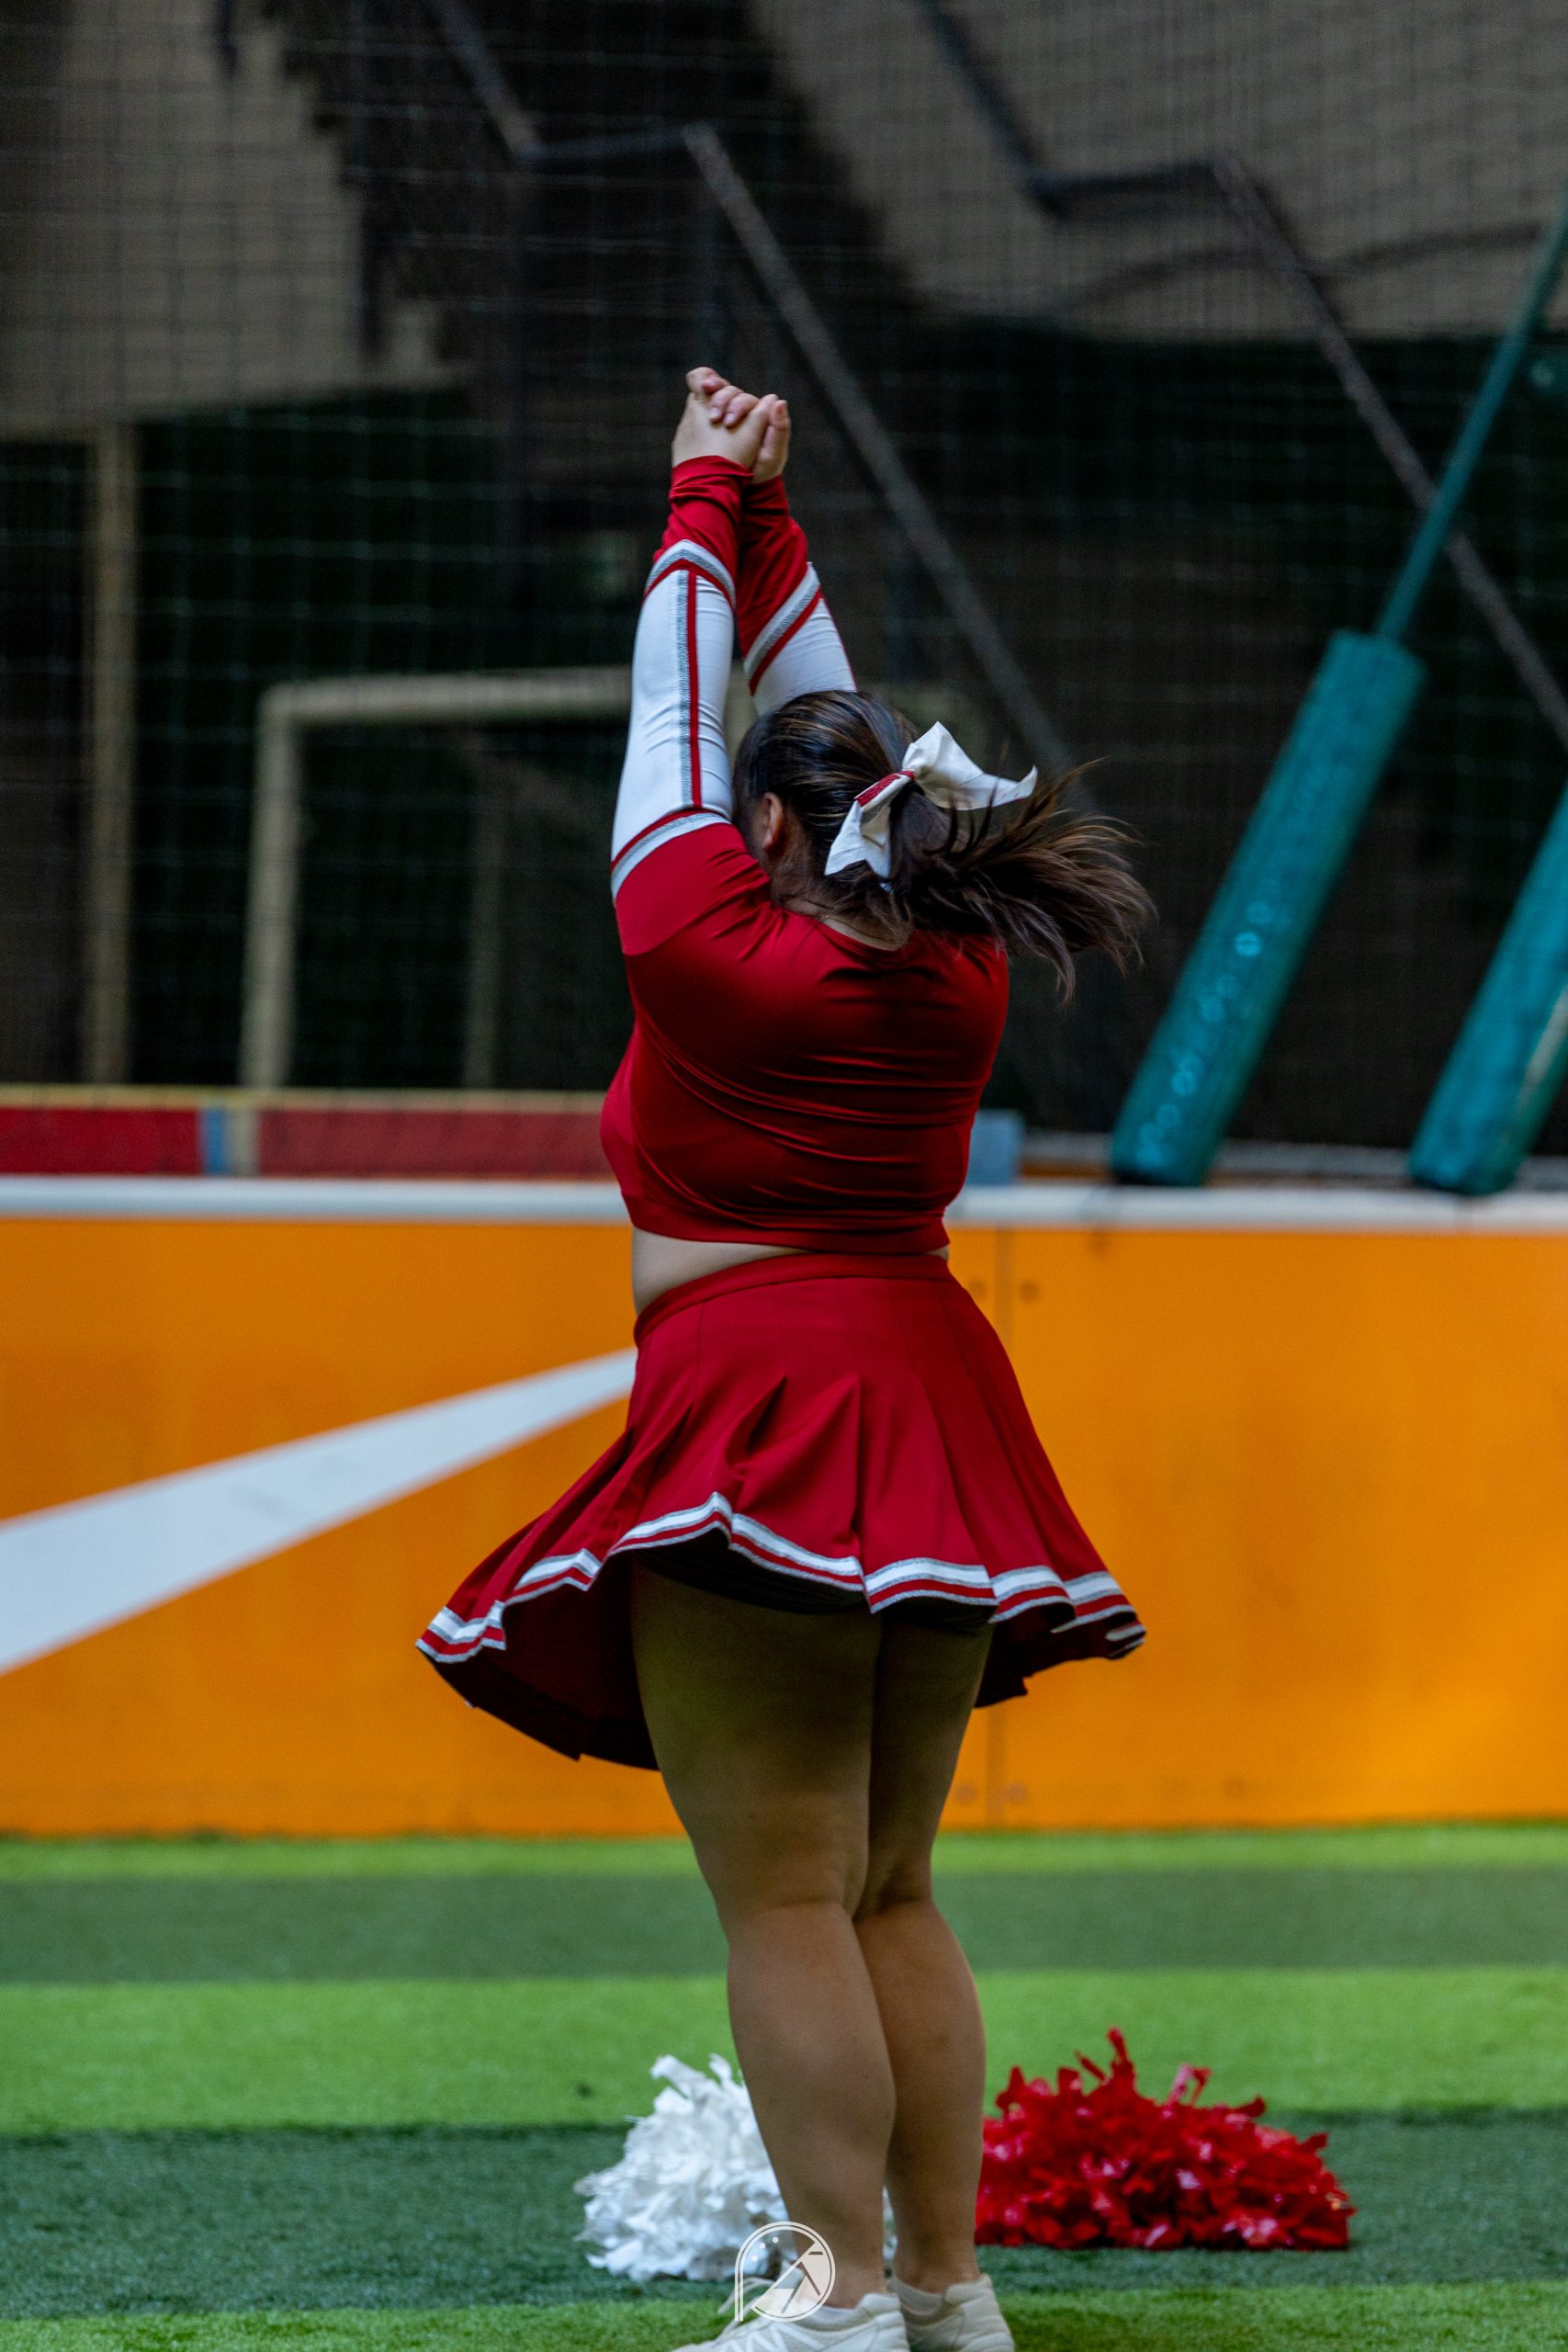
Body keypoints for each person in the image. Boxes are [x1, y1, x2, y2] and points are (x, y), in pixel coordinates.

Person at [422, 368, 1151, 2352]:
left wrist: (697, 491)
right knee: (891, 1882)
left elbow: (669, 719)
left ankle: (831, 2293)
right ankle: (943, 2288)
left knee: (782, 1892)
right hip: (929, 1389)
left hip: (762, 1399)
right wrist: (766, 519)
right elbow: (812, 736)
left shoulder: (706, 939)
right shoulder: (958, 954)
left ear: (764, 828)